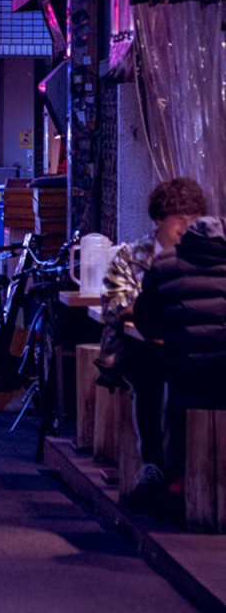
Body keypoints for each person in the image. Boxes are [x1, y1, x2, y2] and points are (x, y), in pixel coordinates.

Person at [97, 177, 207, 513]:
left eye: (194, 221)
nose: (187, 229)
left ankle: (187, 471)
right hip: (140, 347)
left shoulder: (205, 255)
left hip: (191, 347)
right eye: (180, 221)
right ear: (159, 218)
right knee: (151, 374)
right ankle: (155, 464)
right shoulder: (133, 257)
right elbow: (115, 304)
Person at [134, 216, 226, 487]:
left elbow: (146, 322)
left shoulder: (164, 264)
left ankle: (159, 469)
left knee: (146, 371)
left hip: (184, 373)